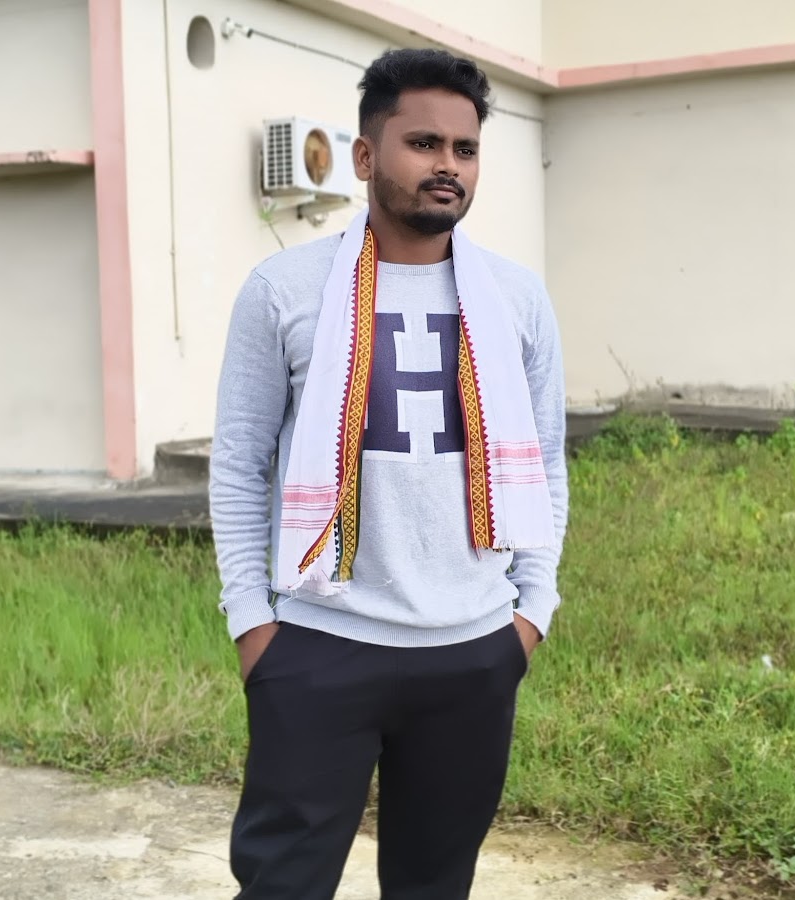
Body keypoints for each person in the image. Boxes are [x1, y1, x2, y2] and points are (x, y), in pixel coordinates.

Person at [210, 47, 568, 900]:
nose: (448, 165)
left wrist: (532, 612)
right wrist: (254, 626)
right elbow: (238, 464)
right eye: (424, 143)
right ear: (366, 156)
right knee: (283, 884)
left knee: (434, 885)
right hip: (321, 645)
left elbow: (548, 461)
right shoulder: (284, 290)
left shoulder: (516, 299)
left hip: (474, 650)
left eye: (465, 148)